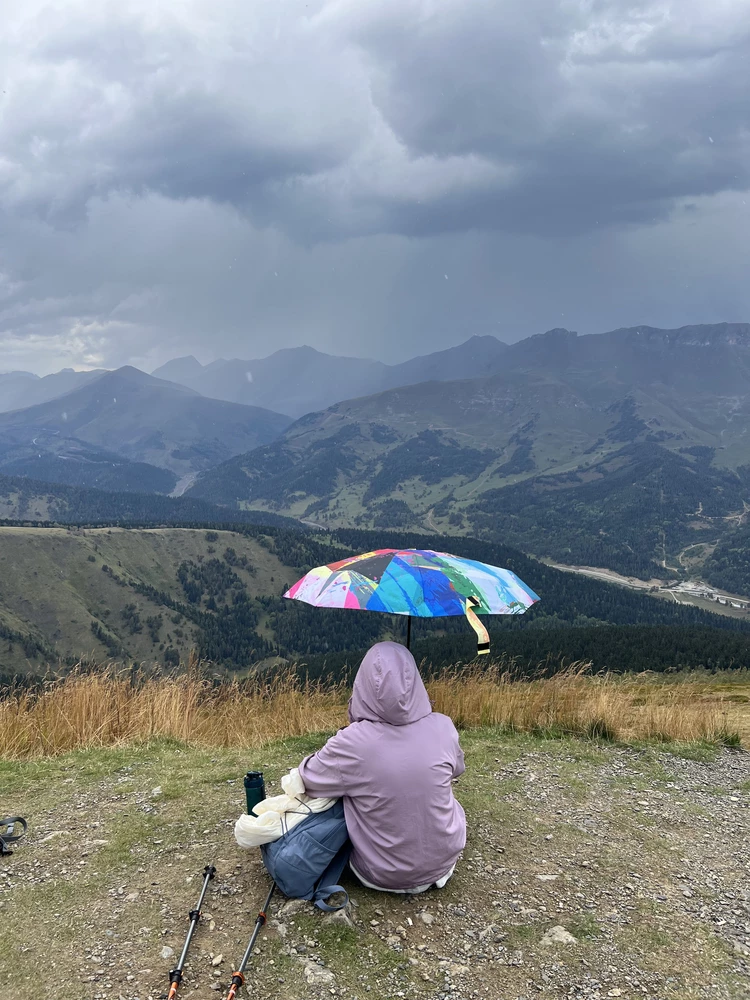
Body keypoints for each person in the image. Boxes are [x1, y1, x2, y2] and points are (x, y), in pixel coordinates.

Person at [298, 640, 466, 893]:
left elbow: (309, 779)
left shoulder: (352, 742)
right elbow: (457, 770)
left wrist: (339, 743)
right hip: (443, 865)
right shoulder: (443, 726)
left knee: (344, 800)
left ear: (362, 684)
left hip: (382, 874)